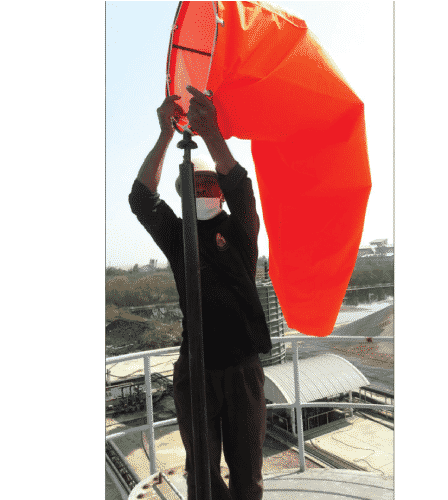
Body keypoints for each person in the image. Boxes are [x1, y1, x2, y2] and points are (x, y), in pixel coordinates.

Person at [129, 85, 272, 500]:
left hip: (242, 368)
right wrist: (164, 136)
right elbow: (141, 199)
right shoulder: (179, 237)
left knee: (248, 474)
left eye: (209, 184)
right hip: (196, 369)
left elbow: (242, 188)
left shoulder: (239, 231)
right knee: (202, 477)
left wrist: (211, 134)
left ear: (219, 190)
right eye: (195, 186)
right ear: (183, 194)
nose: (204, 191)